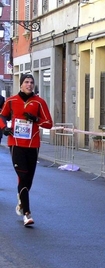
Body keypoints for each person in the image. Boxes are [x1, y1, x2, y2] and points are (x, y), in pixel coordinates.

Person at [0, 74, 53, 226]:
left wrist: (36, 119)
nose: (29, 85)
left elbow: (49, 123)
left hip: (33, 145)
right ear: (21, 84)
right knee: (22, 176)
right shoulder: (11, 101)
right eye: (26, 82)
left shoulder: (39, 102)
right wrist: (4, 128)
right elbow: (2, 116)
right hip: (16, 144)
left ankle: (21, 198)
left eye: (31, 82)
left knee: (28, 179)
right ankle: (27, 214)